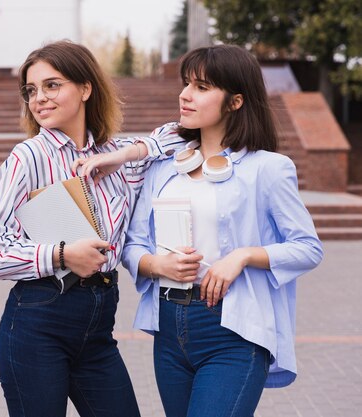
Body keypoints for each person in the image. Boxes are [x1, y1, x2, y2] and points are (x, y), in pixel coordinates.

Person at [74, 44, 324, 417]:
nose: (185, 95)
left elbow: (307, 247)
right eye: (186, 84)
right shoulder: (162, 168)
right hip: (170, 329)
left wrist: (241, 257)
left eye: (202, 87)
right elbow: (133, 244)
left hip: (233, 331)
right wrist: (158, 266)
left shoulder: (268, 168)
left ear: (235, 101)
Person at [0, 40, 184, 417]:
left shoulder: (116, 158)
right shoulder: (28, 157)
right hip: (40, 320)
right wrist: (61, 253)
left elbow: (182, 135)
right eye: (31, 90)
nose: (39, 98)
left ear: (86, 89)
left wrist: (123, 153)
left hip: (98, 325)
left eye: (52, 85)